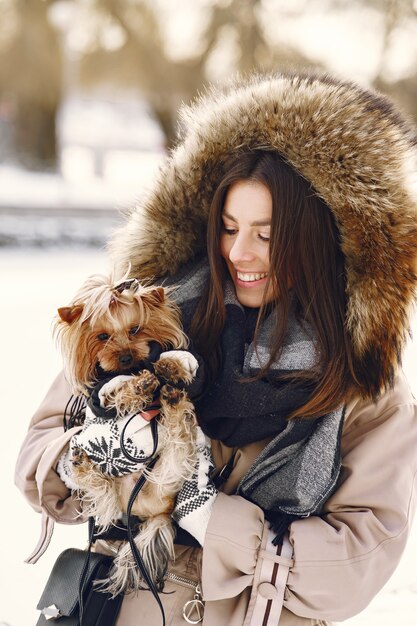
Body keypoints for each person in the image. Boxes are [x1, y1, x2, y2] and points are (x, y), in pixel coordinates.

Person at [15, 71, 417, 626]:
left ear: (320, 238)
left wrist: (208, 515)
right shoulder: (148, 318)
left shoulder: (365, 382)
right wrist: (94, 452)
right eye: (229, 228)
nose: (240, 253)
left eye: (267, 235)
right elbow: (38, 454)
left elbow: (357, 561)